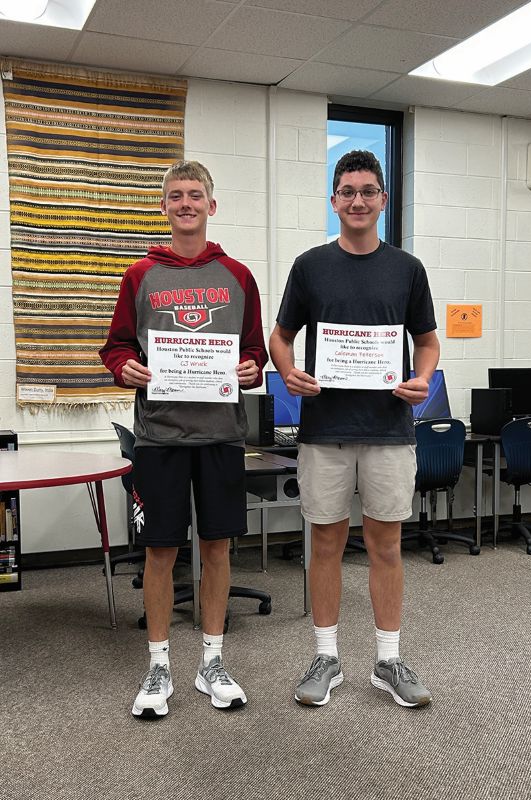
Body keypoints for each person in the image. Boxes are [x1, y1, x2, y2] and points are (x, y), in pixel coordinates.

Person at [269, 150, 440, 708]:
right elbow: (281, 335)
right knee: (325, 542)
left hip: (390, 429)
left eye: (369, 190)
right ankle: (326, 655)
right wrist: (287, 372)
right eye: (348, 191)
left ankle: (388, 661)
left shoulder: (407, 269)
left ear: (383, 200)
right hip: (325, 431)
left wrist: (423, 378)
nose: (358, 200)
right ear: (334, 200)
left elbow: (428, 341)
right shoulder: (310, 265)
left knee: (386, 544)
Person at [100, 160, 268, 718]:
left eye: (196, 195)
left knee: (218, 548)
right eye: (176, 195)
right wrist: (125, 367)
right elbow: (117, 346)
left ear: (211, 206)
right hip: (159, 437)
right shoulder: (140, 274)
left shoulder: (238, 276)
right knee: (160, 551)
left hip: (221, 435)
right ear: (165, 206)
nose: (186, 203)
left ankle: (212, 661)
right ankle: (158, 664)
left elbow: (254, 350)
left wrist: (250, 367)